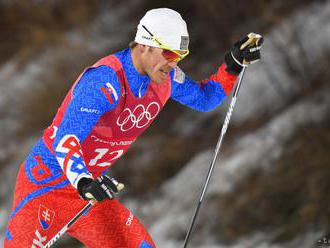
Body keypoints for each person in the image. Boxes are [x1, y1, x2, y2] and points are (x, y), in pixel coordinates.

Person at [4, 8, 263, 248]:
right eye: (170, 54)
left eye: (180, 56)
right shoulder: (105, 80)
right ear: (144, 45)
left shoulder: (166, 78)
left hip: (89, 195)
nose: (174, 64)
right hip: (46, 187)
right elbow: (66, 139)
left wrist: (231, 66)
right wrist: (83, 181)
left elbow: (206, 99)